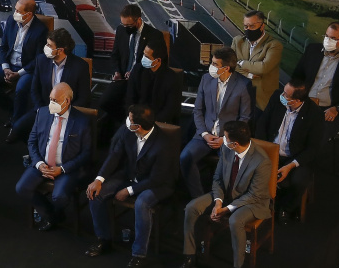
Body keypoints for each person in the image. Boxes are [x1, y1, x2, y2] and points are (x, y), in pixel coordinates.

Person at [85, 105, 177, 267]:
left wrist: (129, 190)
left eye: (130, 119)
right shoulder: (128, 131)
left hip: (157, 184)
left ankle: (139, 254)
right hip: (130, 175)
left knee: (142, 203)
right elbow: (115, 155)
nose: (126, 120)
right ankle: (104, 239)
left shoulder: (163, 145)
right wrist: (99, 179)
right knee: (96, 194)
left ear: (138, 126)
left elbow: (156, 179)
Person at [179, 121, 272, 268]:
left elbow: (254, 195)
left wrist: (226, 209)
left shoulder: (262, 161)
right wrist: (218, 202)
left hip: (252, 202)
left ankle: (238, 265)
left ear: (235, 144)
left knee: (235, 220)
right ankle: (189, 255)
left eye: (226, 137)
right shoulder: (226, 149)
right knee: (192, 207)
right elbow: (218, 178)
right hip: (226, 194)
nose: (223, 139)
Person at [16, 83, 92, 231]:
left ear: (67, 101)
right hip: (42, 164)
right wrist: (38, 163)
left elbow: (86, 153)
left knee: (60, 197)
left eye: (55, 100)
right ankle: (53, 216)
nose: (51, 103)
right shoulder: (43, 113)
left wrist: (62, 169)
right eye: (50, 99)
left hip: (66, 167)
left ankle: (53, 215)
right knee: (22, 188)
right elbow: (32, 141)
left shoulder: (82, 121)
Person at [181, 47, 252, 199]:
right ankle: (198, 199)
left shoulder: (243, 84)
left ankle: (222, 202)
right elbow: (198, 110)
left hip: (229, 138)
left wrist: (225, 139)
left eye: (215, 64)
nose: (211, 67)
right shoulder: (206, 79)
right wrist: (205, 134)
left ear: (226, 68)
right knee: (185, 158)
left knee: (230, 168)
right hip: (204, 135)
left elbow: (244, 118)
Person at [0, 0, 48, 143]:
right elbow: (3, 47)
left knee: (21, 89)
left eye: (18, 11)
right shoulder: (11, 21)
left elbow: (39, 59)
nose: (14, 13)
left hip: (27, 69)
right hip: (8, 65)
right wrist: (5, 68)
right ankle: (11, 109)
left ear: (28, 14)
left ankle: (16, 126)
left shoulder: (41, 30)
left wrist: (19, 73)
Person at [255, 79, 322, 222]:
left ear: (296, 100)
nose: (282, 95)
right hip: (270, 151)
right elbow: (262, 123)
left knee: (299, 181)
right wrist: (262, 150)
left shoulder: (314, 114)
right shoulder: (277, 97)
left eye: (286, 95)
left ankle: (287, 207)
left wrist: (291, 165)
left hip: (295, 157)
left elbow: (313, 148)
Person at [10, 28, 91, 141]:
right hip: (44, 109)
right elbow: (34, 89)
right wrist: (40, 110)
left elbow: (84, 96)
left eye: (49, 45)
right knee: (18, 129)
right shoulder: (41, 60)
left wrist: (65, 113)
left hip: (67, 113)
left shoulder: (80, 66)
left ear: (60, 50)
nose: (46, 47)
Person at [293, 21, 339, 144]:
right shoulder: (312, 50)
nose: (328, 40)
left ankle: (302, 162)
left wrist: (338, 109)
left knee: (314, 139)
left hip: (330, 111)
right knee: (288, 131)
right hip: (305, 104)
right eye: (326, 36)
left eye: (333, 38)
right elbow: (297, 76)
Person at [98, 4, 163, 127]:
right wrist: (116, 72)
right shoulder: (121, 31)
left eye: (129, 25)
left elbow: (157, 64)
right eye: (124, 25)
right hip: (122, 79)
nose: (126, 28)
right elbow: (115, 55)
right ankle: (124, 121)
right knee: (104, 102)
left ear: (138, 20)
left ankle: (127, 124)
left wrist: (136, 72)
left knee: (132, 104)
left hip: (141, 81)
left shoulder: (154, 35)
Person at [232, 10, 283, 110]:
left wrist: (241, 62)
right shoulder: (238, 41)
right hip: (239, 98)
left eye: (252, 26)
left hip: (261, 101)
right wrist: (248, 74)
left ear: (262, 26)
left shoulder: (274, 45)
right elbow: (231, 64)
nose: (248, 29)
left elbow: (264, 68)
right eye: (246, 26)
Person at [125, 39, 182, 124]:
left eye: (147, 57)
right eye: (144, 54)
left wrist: (152, 123)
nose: (143, 58)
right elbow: (130, 97)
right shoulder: (137, 70)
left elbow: (170, 109)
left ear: (158, 60)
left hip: (158, 121)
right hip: (136, 118)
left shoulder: (172, 78)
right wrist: (133, 117)